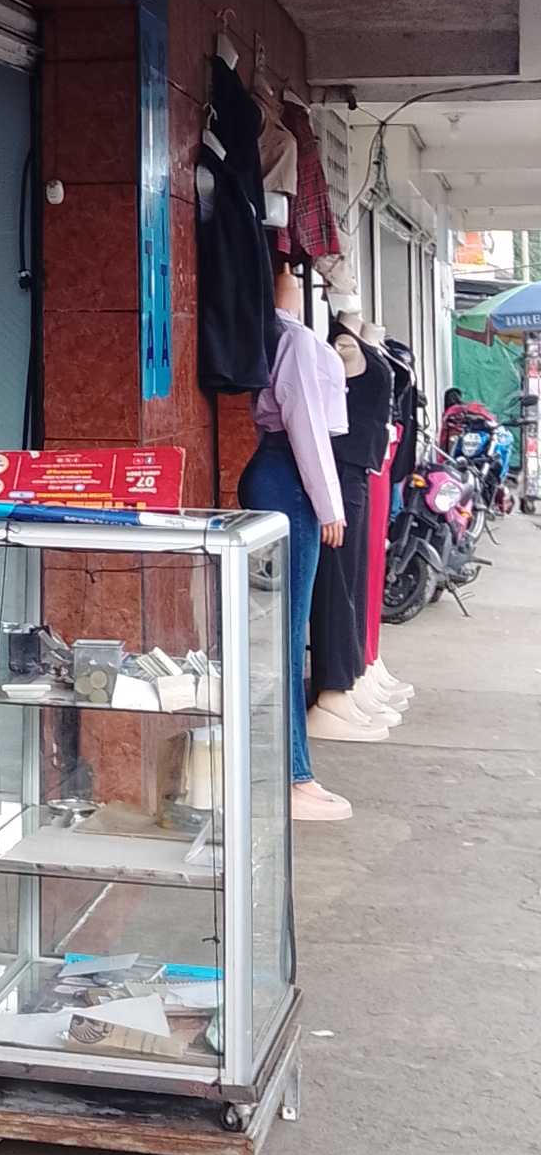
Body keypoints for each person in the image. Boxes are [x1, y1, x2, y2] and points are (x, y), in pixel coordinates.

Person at [237, 262, 352, 823]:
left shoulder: (271, 332)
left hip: (272, 466)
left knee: (275, 630)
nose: (295, 277)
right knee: (285, 631)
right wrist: (329, 503)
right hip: (289, 472)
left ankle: (285, 768)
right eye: (286, 271)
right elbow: (304, 419)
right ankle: (291, 774)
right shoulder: (294, 338)